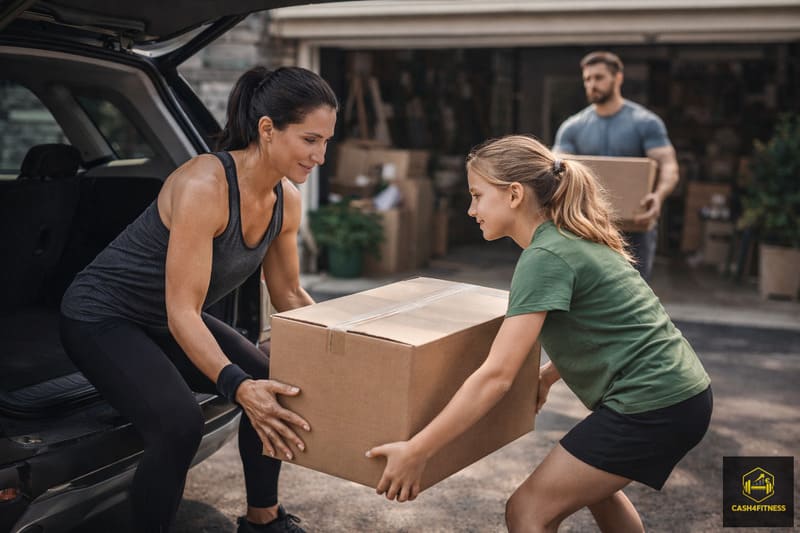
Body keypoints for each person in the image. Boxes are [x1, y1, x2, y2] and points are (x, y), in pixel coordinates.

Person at [366, 135, 712, 532]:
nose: (470, 209)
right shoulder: (571, 237)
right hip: (680, 394)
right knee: (596, 488)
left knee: (527, 511)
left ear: (514, 194)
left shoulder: (544, 257)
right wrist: (547, 376)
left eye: (477, 196)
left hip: (653, 404)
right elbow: (605, 323)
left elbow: (496, 376)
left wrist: (418, 450)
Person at [59, 66, 338, 533]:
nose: (321, 156)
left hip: (164, 319)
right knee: (178, 424)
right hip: (100, 317)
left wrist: (346, 346)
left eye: (326, 142)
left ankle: (263, 520)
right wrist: (234, 385)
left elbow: (288, 292)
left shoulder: (284, 199)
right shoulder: (204, 186)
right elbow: (183, 311)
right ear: (267, 129)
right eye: (310, 140)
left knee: (274, 386)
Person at [553, 50, 679, 281]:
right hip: (588, 226)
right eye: (587, 79)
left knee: (634, 292)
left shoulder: (645, 122)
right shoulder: (573, 127)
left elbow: (669, 166)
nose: (592, 84)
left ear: (617, 78)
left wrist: (658, 197)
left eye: (599, 78)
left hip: (635, 227)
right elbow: (555, 169)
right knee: (590, 294)